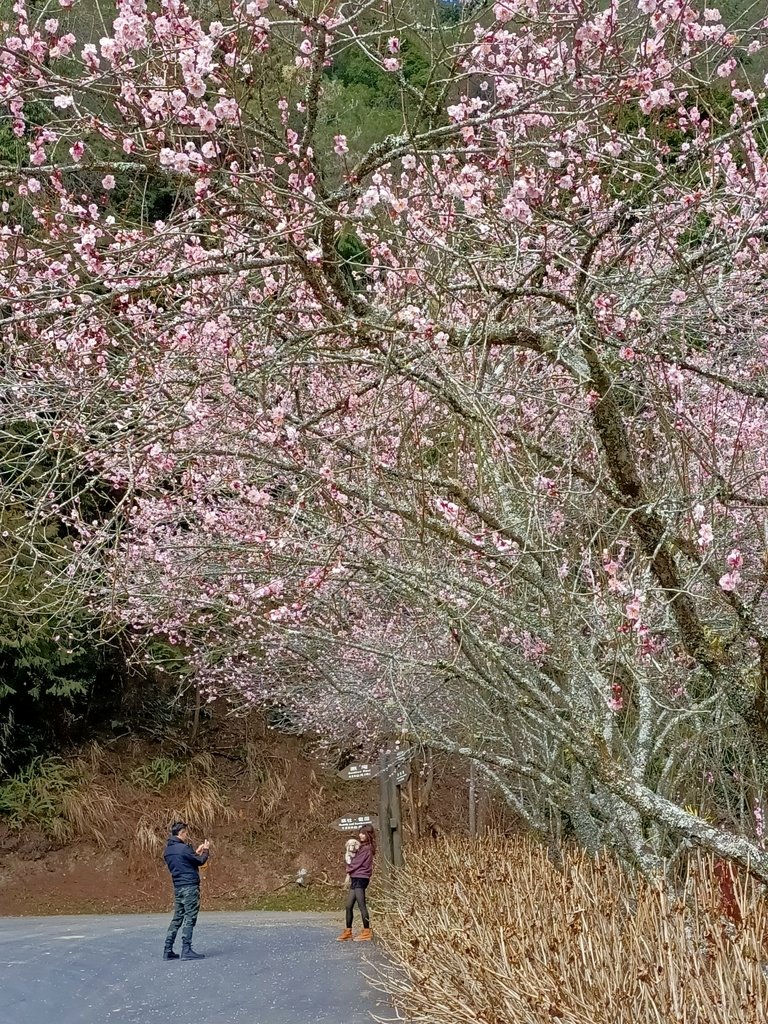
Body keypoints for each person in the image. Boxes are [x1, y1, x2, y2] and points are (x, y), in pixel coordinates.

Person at [162, 821, 210, 961]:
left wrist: (195, 852)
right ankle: (186, 949)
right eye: (185, 833)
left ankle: (168, 949)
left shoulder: (168, 851)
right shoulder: (183, 848)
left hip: (178, 887)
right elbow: (200, 861)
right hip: (190, 886)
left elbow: (185, 861)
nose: (186, 836)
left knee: (177, 918)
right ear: (181, 833)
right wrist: (205, 850)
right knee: (190, 917)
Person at [337, 824, 375, 942]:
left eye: (363, 833)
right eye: (360, 833)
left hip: (361, 877)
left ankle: (367, 931)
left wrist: (348, 867)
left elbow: (356, 863)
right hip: (355, 877)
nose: (360, 835)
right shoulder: (362, 847)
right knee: (349, 905)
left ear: (368, 835)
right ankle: (348, 931)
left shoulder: (367, 848)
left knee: (361, 904)